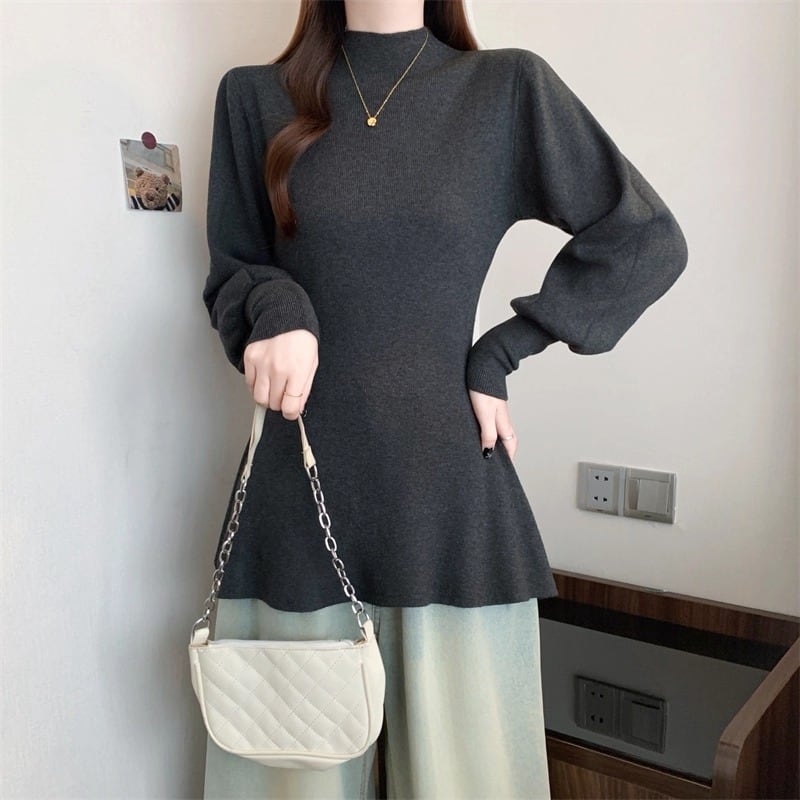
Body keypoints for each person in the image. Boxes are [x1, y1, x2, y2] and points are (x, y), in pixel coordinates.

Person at [199, 0, 688, 797]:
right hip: (298, 512)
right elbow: (235, 269)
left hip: (450, 508)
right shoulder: (254, 97)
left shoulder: (505, 90)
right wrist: (279, 309)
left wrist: (501, 351)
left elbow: (644, 239)